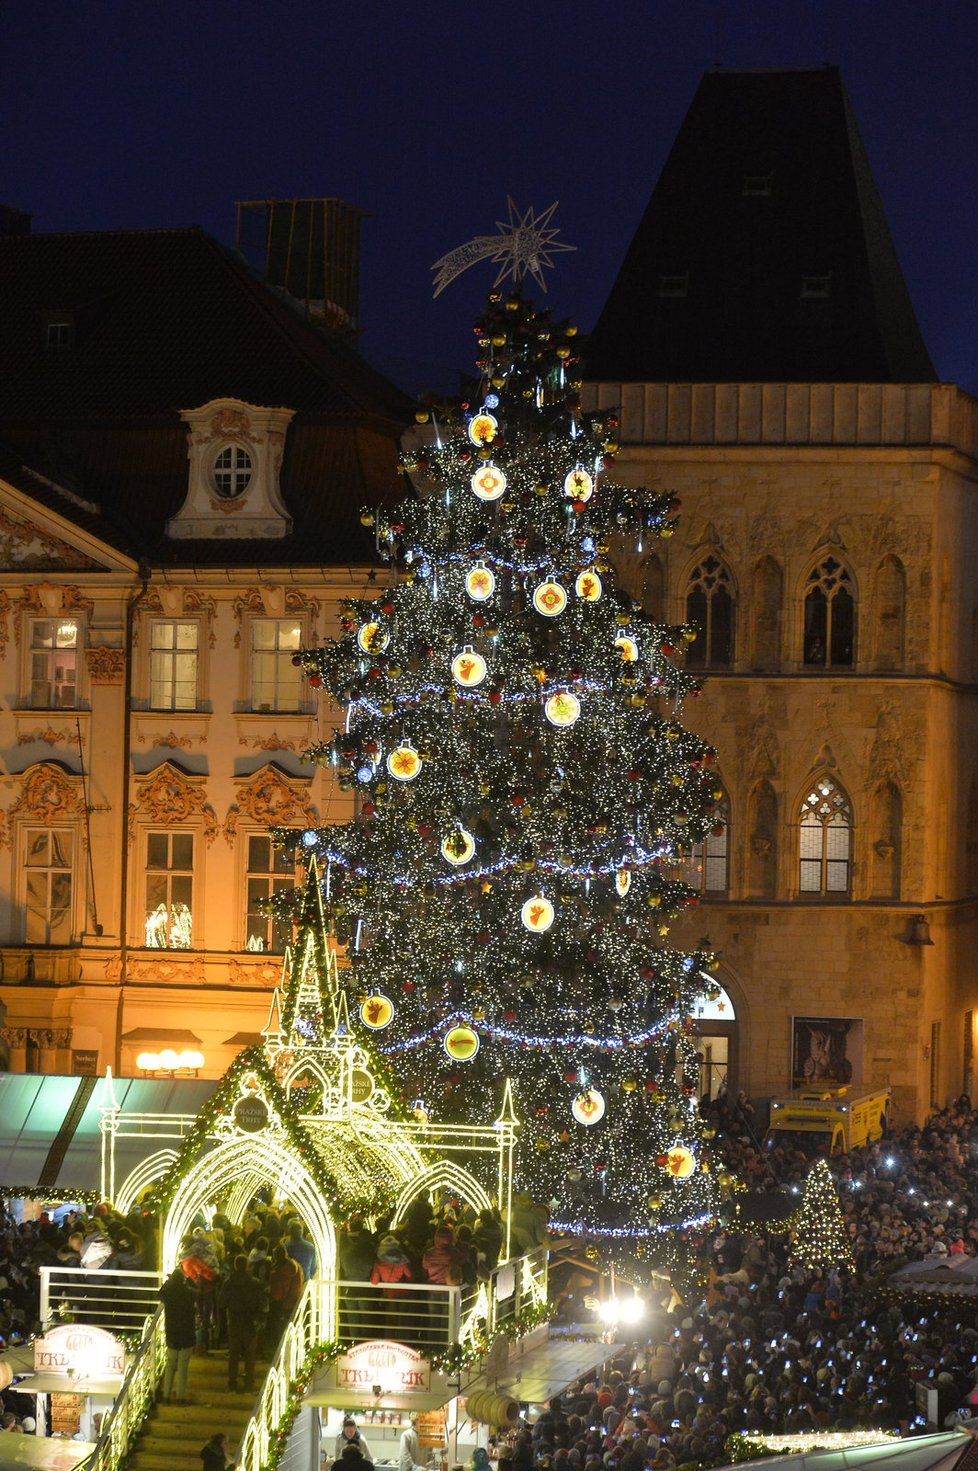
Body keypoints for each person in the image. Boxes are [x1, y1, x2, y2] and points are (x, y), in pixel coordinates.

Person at [220, 1254, 266, 1394]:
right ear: (247, 1266)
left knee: (234, 1354)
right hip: (250, 1321)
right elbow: (262, 1304)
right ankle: (248, 1384)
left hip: (234, 1320)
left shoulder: (228, 1283)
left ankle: (232, 1383)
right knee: (250, 1354)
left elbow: (222, 1302)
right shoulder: (256, 1283)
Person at [158, 1265, 198, 1405]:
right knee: (183, 1367)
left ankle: (166, 1396)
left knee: (170, 1365)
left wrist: (168, 1282)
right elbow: (198, 1293)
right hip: (186, 1333)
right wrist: (189, 1281)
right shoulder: (189, 1292)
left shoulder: (168, 1293)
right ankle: (180, 1397)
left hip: (172, 1333)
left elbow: (160, 1293)